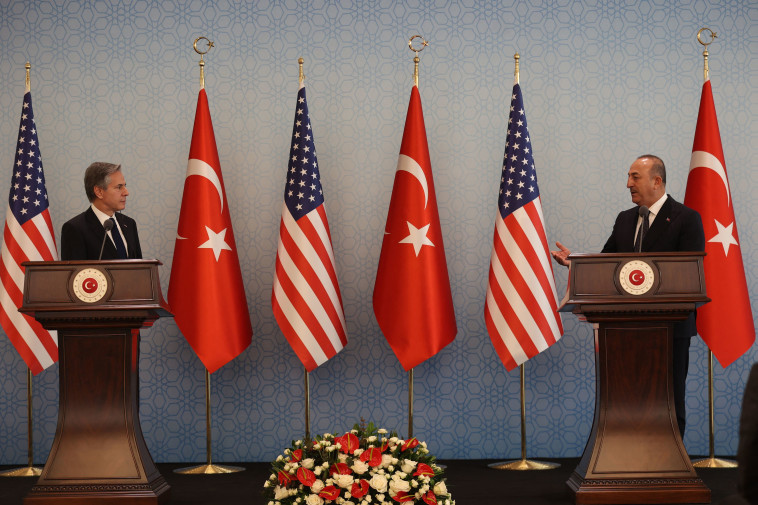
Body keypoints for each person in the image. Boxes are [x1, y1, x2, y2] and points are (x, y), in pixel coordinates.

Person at [551, 155, 705, 437]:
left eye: (635, 177)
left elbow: (690, 275)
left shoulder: (686, 218)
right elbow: (607, 265)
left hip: (670, 329)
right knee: (628, 402)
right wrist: (575, 263)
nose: (628, 184)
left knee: (669, 400)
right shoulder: (624, 220)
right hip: (623, 329)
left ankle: (670, 466)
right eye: (629, 177)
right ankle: (630, 460)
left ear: (657, 181)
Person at [61, 162, 142, 261]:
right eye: (119, 187)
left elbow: (139, 269)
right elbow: (76, 275)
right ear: (99, 192)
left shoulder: (129, 224)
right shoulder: (75, 229)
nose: (126, 192)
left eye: (125, 186)